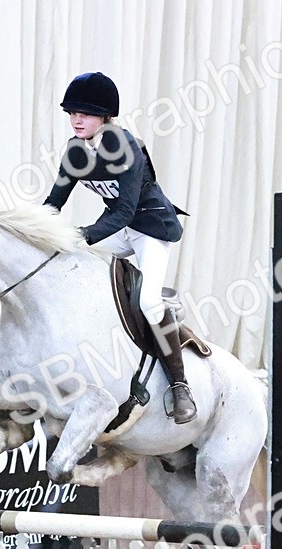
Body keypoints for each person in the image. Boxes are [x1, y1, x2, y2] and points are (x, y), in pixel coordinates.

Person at [43, 72, 196, 424]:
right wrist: (32, 232)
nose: (77, 119)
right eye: (72, 113)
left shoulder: (124, 147)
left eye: (85, 114)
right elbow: (54, 201)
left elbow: (127, 211)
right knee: (66, 260)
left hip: (150, 230)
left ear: (104, 117)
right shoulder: (76, 150)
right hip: (119, 229)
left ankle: (179, 384)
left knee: (148, 302)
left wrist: (82, 236)